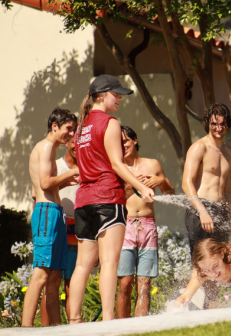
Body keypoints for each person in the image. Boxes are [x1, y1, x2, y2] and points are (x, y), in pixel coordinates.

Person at [68, 75, 155, 323]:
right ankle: (107, 321)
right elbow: (117, 164)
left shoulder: (81, 128)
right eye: (115, 93)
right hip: (107, 198)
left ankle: (74, 321)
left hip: (83, 201)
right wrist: (140, 187)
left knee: (83, 265)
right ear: (101, 95)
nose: (119, 98)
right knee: (109, 262)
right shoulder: (110, 123)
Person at [182, 103, 231, 307]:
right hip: (200, 209)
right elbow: (187, 183)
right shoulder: (199, 147)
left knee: (219, 261)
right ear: (207, 124)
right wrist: (202, 211)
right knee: (202, 262)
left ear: (228, 125)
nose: (218, 128)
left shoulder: (227, 152)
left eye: (222, 124)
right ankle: (182, 303)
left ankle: (211, 304)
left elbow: (228, 190)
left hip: (220, 211)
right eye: (214, 124)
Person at [23, 108, 78, 326]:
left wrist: (65, 181)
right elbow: (45, 184)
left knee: (54, 278)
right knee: (41, 275)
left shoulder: (49, 150)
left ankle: (56, 330)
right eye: (68, 129)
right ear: (55, 126)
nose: (72, 134)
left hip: (53, 213)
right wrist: (71, 173)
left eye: (73, 130)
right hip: (46, 213)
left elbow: (38, 190)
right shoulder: (45, 147)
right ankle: (24, 330)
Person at [116, 126, 175, 318]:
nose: (122, 145)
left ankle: (141, 327)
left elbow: (170, 193)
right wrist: (127, 186)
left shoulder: (152, 164)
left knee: (145, 282)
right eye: (118, 142)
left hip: (148, 225)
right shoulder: (117, 168)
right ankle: (120, 328)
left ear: (134, 140)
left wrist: (160, 180)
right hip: (125, 226)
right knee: (125, 282)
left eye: (125, 140)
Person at [40, 133, 80, 324]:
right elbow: (41, 191)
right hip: (57, 225)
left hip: (78, 229)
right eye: (74, 142)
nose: (77, 146)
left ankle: (72, 327)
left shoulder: (87, 167)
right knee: (51, 281)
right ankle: (46, 329)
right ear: (67, 142)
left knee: (72, 283)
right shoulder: (56, 165)